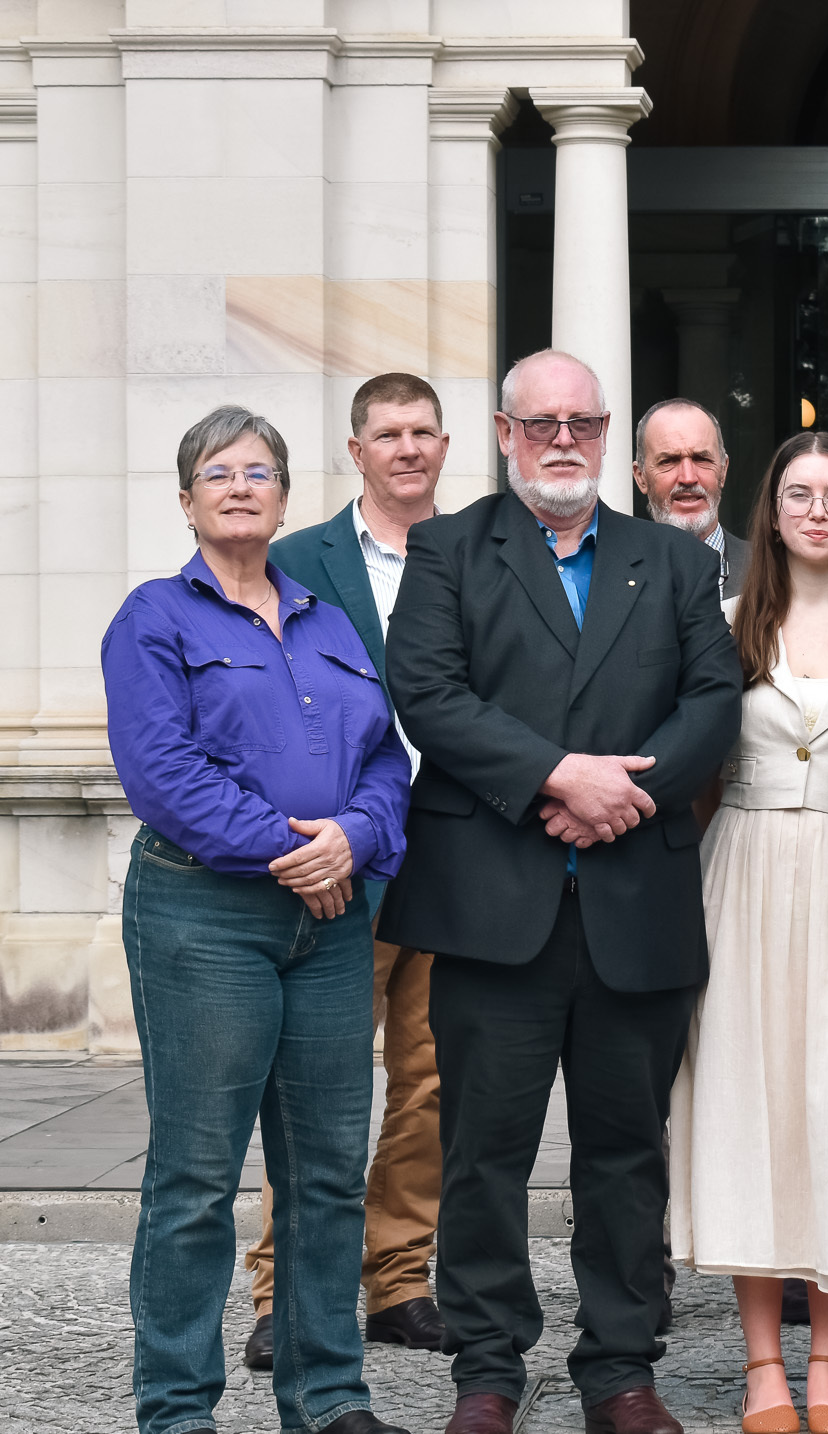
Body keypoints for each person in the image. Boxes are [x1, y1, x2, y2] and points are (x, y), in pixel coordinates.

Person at [382, 348, 743, 1434]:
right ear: (502, 434)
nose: (563, 441)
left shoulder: (671, 562)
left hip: (632, 901)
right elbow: (427, 693)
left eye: (583, 423)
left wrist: (620, 797)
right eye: (541, 423)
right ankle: (487, 1371)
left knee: (626, 1156)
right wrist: (554, 776)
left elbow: (711, 700)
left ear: (605, 434)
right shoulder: (448, 550)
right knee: (483, 1154)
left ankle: (621, 1370)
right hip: (494, 906)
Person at [102, 405, 413, 1434]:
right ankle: (177, 1409)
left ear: (286, 496)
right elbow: (164, 776)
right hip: (204, 915)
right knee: (195, 1176)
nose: (241, 485)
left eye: (261, 471)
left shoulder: (328, 619)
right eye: (218, 471)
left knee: (326, 1172)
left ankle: (327, 1397)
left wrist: (356, 841)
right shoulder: (153, 617)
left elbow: (382, 761)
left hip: (330, 922)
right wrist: (299, 849)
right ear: (186, 497)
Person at [670, 430, 828, 1434]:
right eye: (796, 492)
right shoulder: (722, 629)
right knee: (744, 1103)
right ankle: (763, 1361)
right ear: (770, 511)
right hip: (743, 874)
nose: (814, 509)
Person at [240, 373, 453, 1372]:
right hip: (337, 864)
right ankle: (285, 1291)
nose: (406, 448)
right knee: (315, 1087)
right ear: (356, 450)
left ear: (445, 446)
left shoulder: (482, 556)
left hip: (458, 862)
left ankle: (399, 1279)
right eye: (387, 434)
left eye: (421, 432)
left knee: (431, 1083)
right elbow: (260, 719)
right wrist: (298, 841)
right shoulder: (295, 562)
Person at [635, 396, 751, 597]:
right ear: (641, 478)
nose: (688, 478)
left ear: (723, 471)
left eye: (701, 459)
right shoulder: (609, 575)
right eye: (668, 461)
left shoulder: (772, 570)